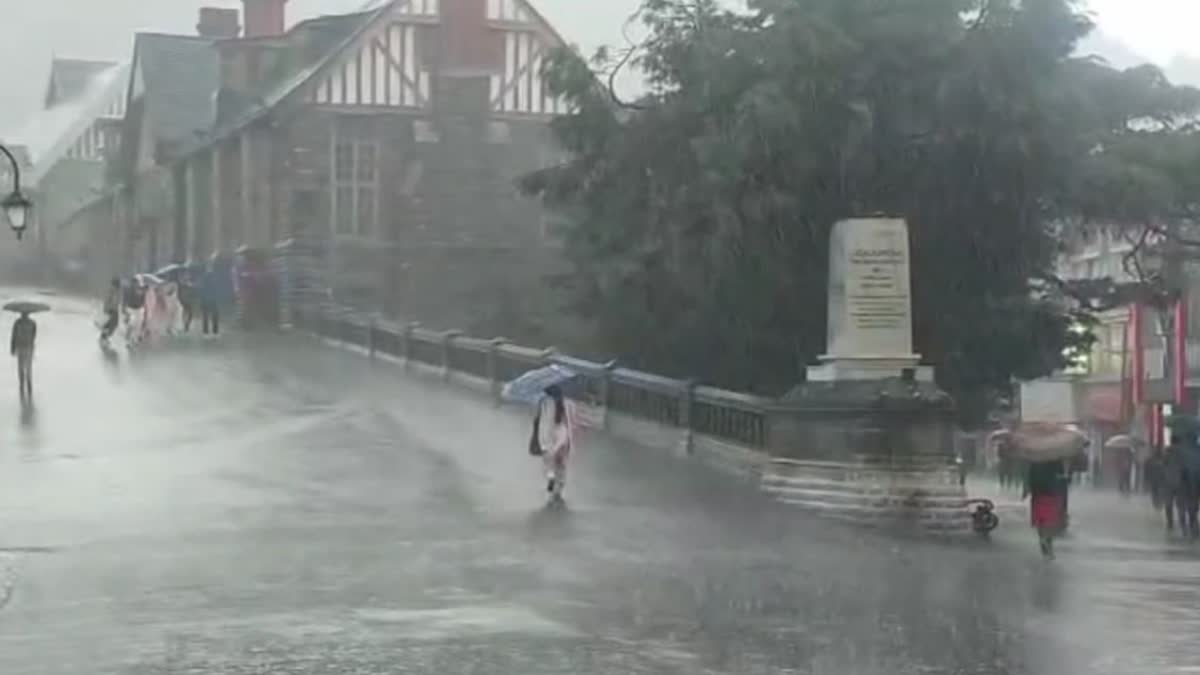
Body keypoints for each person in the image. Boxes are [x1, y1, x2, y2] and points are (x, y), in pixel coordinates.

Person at [535, 384, 576, 501]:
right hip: (563, 435)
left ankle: (551, 476)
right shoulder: (569, 404)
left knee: (549, 461)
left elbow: (544, 422)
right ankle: (559, 489)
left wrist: (542, 442)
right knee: (562, 464)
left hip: (551, 434)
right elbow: (571, 421)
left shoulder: (545, 403)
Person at [1024, 457, 1069, 559]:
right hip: (1051, 493)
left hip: (1037, 493)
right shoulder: (1056, 459)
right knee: (1050, 521)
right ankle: (1048, 544)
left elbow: (1030, 476)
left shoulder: (1034, 460)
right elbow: (1061, 475)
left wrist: (1028, 489)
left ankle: (1043, 541)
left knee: (1040, 520)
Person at [10, 311, 36, 400]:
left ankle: (22, 387)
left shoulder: (17, 322)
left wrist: (12, 348)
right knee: (28, 368)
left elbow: (13, 336)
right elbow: (34, 336)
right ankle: (28, 389)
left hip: (22, 347)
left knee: (21, 368)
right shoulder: (32, 323)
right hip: (28, 348)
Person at [199, 263, 220, 337]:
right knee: (211, 316)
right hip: (210, 299)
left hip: (208, 299)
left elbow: (201, 288)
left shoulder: (204, 277)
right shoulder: (213, 276)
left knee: (208, 316)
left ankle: (208, 332)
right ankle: (213, 332)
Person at [100, 278, 121, 342]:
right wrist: (106, 308)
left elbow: (117, 301)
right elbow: (107, 300)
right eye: (117, 284)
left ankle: (104, 336)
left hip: (114, 309)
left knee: (113, 324)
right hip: (111, 309)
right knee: (112, 324)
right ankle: (104, 336)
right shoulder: (112, 290)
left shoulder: (117, 291)